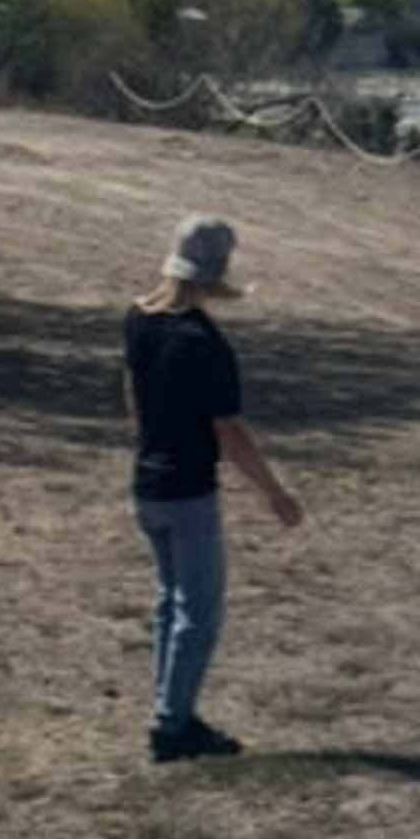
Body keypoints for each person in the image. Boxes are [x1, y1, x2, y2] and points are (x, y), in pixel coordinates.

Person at [123, 216, 299, 762]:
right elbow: (230, 434)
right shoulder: (206, 343)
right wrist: (275, 493)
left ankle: (170, 709)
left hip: (147, 483)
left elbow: (133, 394)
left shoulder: (138, 319)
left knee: (170, 601)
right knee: (199, 610)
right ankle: (172, 725)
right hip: (189, 490)